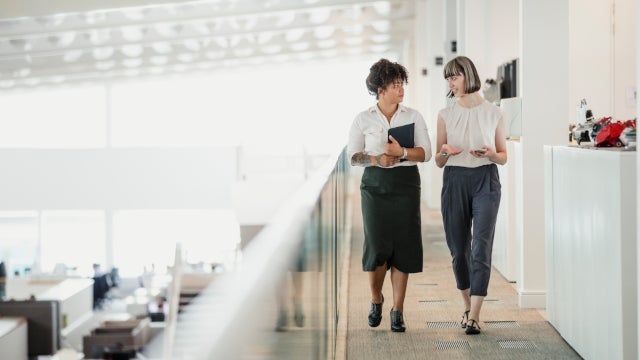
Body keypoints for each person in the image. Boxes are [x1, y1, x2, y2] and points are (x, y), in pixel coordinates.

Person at [347, 58, 432, 332]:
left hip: (406, 184)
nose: (401, 90)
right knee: (376, 246)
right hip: (375, 187)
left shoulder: (413, 116)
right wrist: (376, 160)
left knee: (404, 247)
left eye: (402, 84)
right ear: (380, 89)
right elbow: (353, 157)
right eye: (396, 85)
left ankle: (398, 310)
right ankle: (376, 298)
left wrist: (402, 153)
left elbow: (426, 153)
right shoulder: (362, 119)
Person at [435, 56, 507, 335]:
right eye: (448, 79)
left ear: (468, 76)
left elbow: (503, 156)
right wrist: (444, 152)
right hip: (454, 180)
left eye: (454, 77)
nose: (451, 83)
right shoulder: (445, 113)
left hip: (486, 179)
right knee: (459, 250)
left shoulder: (494, 112)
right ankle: (466, 305)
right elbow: (438, 161)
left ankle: (475, 314)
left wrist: (491, 154)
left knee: (481, 247)